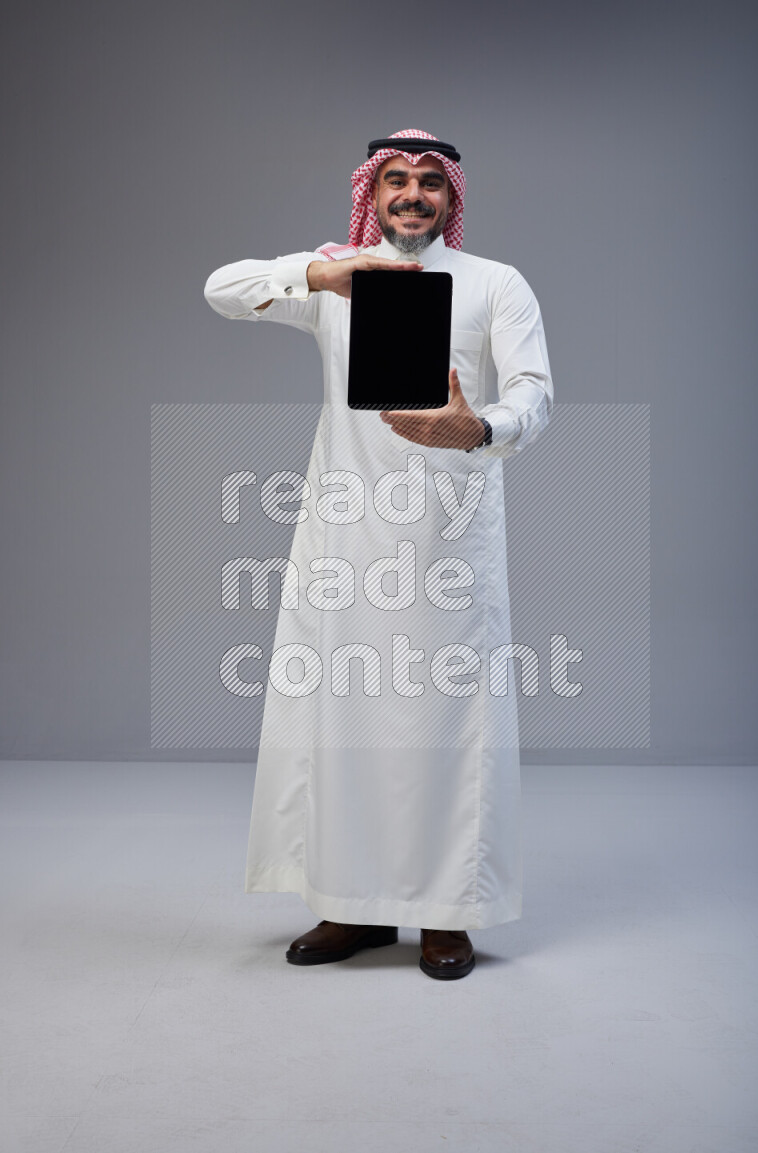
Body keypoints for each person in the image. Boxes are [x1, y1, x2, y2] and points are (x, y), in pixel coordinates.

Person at [204, 129, 554, 980]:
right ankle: (350, 906)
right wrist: (317, 276)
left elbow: (536, 396)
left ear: (450, 198)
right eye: (394, 180)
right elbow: (220, 288)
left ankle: (445, 915)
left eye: (429, 183)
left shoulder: (493, 284)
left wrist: (477, 429)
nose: (411, 196)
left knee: (442, 729)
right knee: (343, 725)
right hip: (347, 539)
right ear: (374, 189)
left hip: (448, 544)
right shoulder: (338, 275)